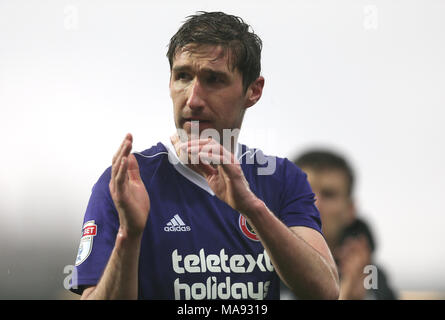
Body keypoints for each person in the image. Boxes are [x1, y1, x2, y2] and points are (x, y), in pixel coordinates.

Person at [69, 11, 339, 300]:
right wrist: (129, 235)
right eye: (183, 76)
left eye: (214, 80)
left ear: (253, 90)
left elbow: (326, 291)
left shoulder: (281, 178)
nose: (193, 99)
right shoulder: (127, 181)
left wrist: (253, 209)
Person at [280, 149, 395, 299]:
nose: (315, 204)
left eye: (329, 194)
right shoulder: (253, 267)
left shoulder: (370, 278)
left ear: (350, 210)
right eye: (303, 191)